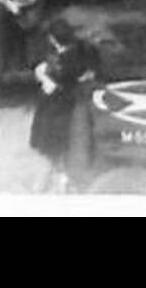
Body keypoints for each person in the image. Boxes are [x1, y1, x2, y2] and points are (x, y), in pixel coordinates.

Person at [29, 19, 100, 193]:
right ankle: (57, 180)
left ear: (53, 38)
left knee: (53, 150)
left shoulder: (68, 58)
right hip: (64, 105)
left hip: (57, 108)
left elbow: (59, 80)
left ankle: (53, 184)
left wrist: (44, 76)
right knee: (59, 150)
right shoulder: (80, 49)